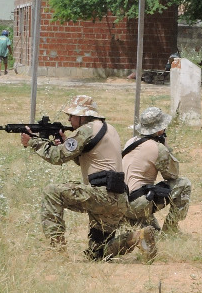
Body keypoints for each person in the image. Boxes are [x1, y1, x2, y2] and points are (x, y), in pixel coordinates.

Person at [23, 94, 155, 261]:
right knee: (98, 253)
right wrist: (65, 142)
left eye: (72, 116)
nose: (69, 119)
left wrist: (33, 142)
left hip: (102, 195)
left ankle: (57, 250)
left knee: (52, 192)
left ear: (82, 116)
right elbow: (87, 158)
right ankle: (138, 237)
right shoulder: (108, 128)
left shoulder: (85, 130)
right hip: (118, 198)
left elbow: (57, 157)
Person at [123, 106, 192, 234]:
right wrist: (166, 149)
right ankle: (170, 230)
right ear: (160, 130)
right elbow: (172, 175)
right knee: (184, 184)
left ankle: (139, 223)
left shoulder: (130, 142)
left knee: (153, 231)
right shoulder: (157, 148)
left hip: (122, 202)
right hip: (138, 204)